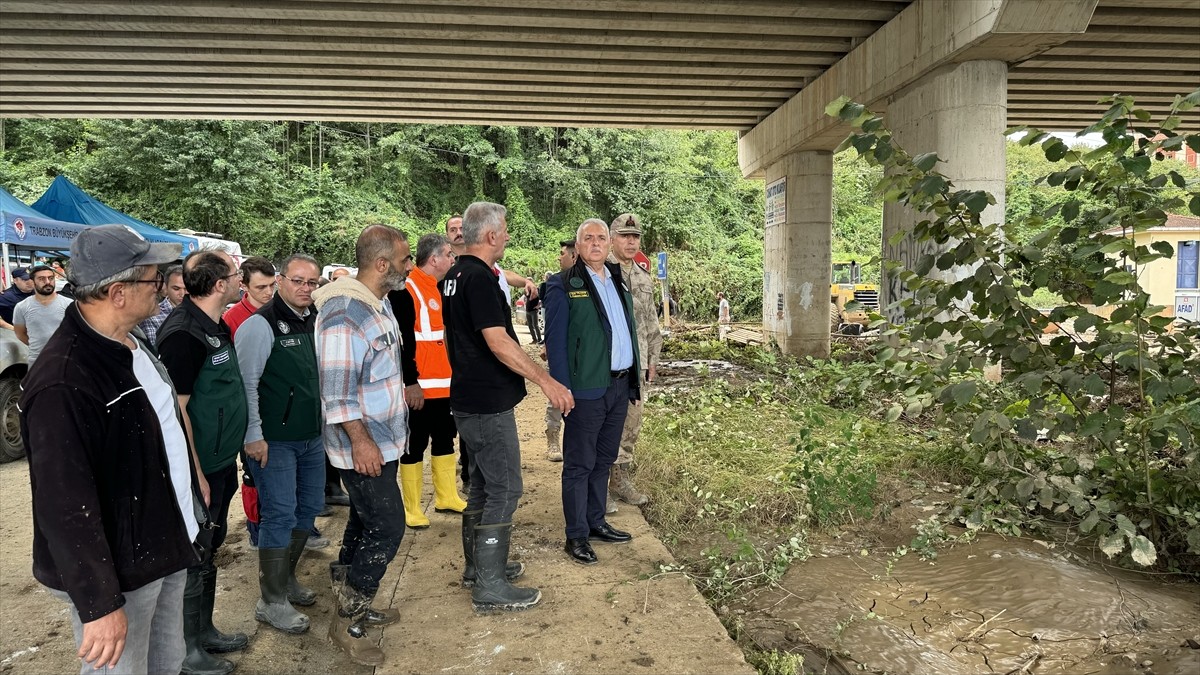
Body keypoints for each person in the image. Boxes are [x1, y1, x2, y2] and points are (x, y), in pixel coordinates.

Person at [22, 225, 204, 675]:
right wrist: (99, 604)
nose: (162, 288)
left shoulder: (132, 342)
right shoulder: (63, 380)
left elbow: (166, 424)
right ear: (119, 292)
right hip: (121, 567)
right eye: (154, 279)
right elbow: (63, 505)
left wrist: (192, 482)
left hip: (164, 540)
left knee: (167, 661)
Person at [442, 201, 574, 612]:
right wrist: (546, 380)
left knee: (482, 485)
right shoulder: (479, 278)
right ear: (492, 235)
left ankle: (478, 568)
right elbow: (498, 341)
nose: (509, 236)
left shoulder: (453, 275)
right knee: (506, 489)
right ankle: (491, 584)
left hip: (467, 397)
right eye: (506, 230)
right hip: (487, 403)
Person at [312, 224, 412, 666]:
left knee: (364, 520)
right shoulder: (346, 313)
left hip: (381, 442)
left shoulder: (377, 303)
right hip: (363, 446)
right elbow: (337, 392)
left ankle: (351, 600)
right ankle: (347, 621)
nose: (410, 265)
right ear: (381, 264)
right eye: (406, 259)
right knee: (389, 527)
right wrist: (362, 443)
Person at [156, 250, 249, 675]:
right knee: (195, 549)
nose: (240, 279)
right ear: (217, 286)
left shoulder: (214, 325)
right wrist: (196, 476)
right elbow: (176, 413)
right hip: (201, 468)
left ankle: (205, 630)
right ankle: (188, 650)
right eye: (235, 274)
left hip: (219, 459)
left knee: (211, 544)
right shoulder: (182, 335)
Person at [234, 253, 328, 635]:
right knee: (279, 514)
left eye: (312, 282)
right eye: (298, 281)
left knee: (307, 509)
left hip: (312, 437)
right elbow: (246, 385)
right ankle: (270, 600)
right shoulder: (260, 326)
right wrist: (253, 434)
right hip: (275, 441)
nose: (306, 288)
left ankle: (285, 578)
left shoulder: (317, 321)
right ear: (280, 281)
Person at [545, 219, 640, 566]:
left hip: (618, 385)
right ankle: (576, 535)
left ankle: (596, 520)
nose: (596, 243)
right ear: (578, 245)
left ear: (609, 243)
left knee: (604, 459)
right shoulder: (563, 285)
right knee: (579, 464)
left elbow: (627, 329)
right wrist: (559, 387)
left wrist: (634, 381)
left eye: (601, 237)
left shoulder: (618, 279)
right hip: (585, 389)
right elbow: (555, 344)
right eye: (589, 238)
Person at [388, 233, 468, 529]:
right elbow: (403, 343)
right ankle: (411, 507)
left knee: (446, 439)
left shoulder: (442, 289)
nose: (452, 258)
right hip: (420, 389)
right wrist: (410, 383)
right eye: (448, 254)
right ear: (433, 259)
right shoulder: (406, 291)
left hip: (446, 386)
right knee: (414, 445)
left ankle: (446, 496)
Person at [608, 213, 662, 507]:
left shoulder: (642, 276)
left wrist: (653, 358)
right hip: (608, 364)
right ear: (612, 238)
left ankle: (620, 480)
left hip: (636, 365)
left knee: (631, 423)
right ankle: (597, 486)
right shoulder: (601, 271)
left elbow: (651, 322)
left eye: (635, 236)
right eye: (624, 236)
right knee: (604, 423)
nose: (631, 241)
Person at [541, 239, 577, 462]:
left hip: (582, 355)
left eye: (562, 253)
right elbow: (550, 318)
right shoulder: (556, 282)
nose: (559, 257)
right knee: (557, 392)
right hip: (561, 350)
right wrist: (547, 343)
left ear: (574, 256)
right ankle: (552, 435)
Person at [13, 265, 72, 368]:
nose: (48, 282)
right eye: (41, 279)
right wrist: (39, 347)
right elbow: (20, 333)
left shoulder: (69, 305)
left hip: (65, 362)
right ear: (32, 282)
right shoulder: (22, 307)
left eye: (51, 278)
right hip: (37, 362)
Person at [222, 256, 275, 336]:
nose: (269, 292)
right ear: (244, 286)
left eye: (272, 285)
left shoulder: (283, 309)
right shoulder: (231, 319)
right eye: (261, 287)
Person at [137, 264, 185, 344]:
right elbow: (154, 351)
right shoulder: (151, 316)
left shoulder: (200, 311)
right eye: (176, 289)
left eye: (186, 289)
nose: (182, 294)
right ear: (166, 287)